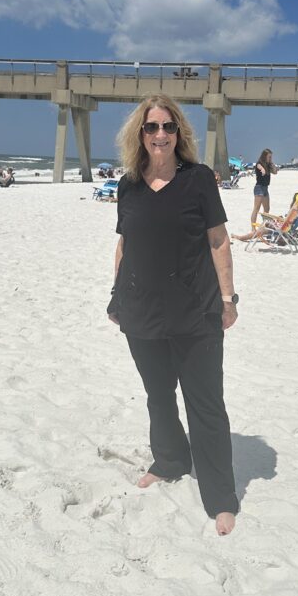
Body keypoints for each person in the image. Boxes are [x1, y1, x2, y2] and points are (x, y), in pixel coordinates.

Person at [107, 95, 240, 536]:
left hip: (196, 311)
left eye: (167, 127)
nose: (160, 135)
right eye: (151, 128)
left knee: (205, 404)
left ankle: (220, 496)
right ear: (139, 135)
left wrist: (228, 299)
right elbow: (124, 246)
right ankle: (169, 461)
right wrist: (115, 296)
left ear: (178, 133)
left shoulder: (198, 180)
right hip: (141, 309)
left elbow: (219, 242)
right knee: (159, 396)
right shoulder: (128, 185)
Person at [250, 148, 277, 229]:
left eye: (271, 157)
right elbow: (259, 166)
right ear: (264, 156)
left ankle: (263, 227)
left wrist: (272, 164)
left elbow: (275, 172)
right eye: (269, 157)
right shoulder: (259, 163)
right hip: (259, 188)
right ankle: (253, 228)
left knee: (267, 209)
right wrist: (262, 169)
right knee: (256, 209)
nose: (270, 158)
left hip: (265, 188)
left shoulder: (269, 165)